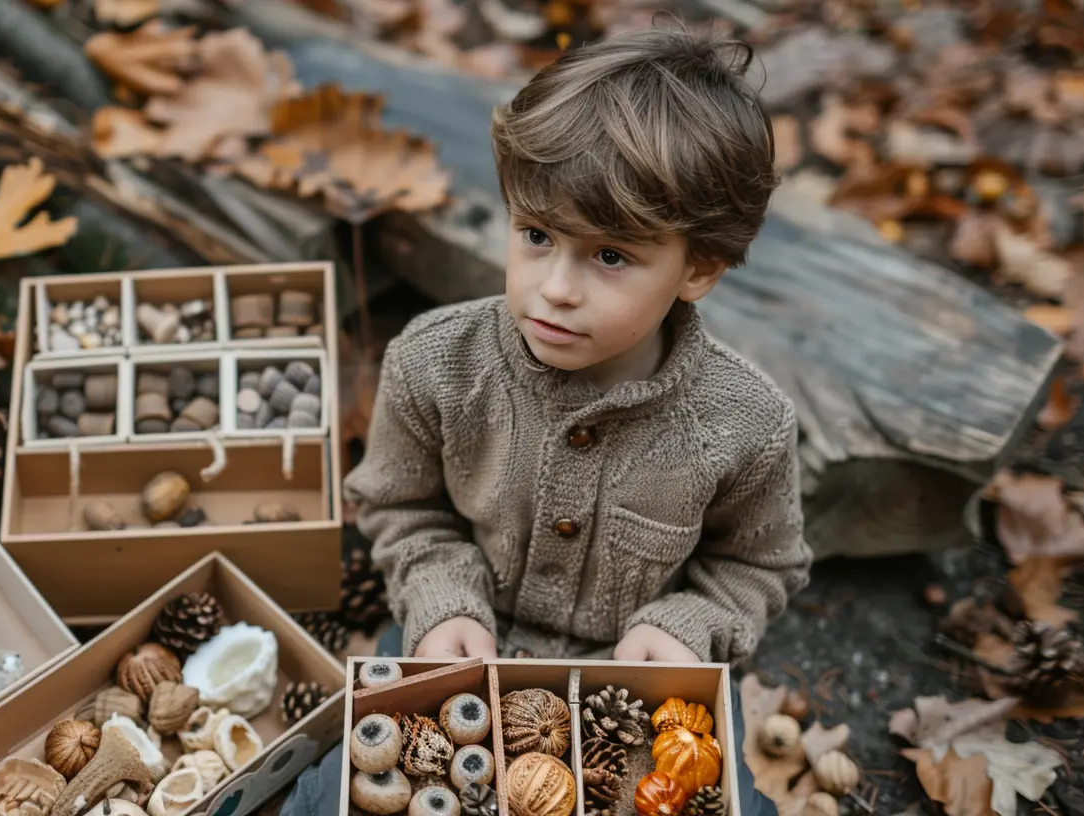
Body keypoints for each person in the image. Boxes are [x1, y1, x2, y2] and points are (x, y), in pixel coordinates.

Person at [281, 22, 811, 816]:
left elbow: (760, 565)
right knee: (330, 799)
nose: (555, 288)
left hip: (633, 680)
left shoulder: (745, 424)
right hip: (462, 637)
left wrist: (691, 623)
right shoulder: (435, 364)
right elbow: (399, 507)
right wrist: (440, 597)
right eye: (535, 236)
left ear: (698, 265)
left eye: (609, 256)